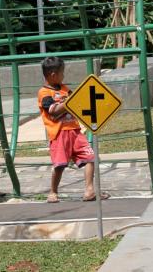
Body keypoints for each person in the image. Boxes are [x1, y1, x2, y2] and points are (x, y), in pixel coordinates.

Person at [37, 57, 110, 203]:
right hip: (59, 134)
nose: (63, 76)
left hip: (75, 131)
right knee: (59, 165)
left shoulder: (65, 89)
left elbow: (77, 105)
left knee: (90, 157)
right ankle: (53, 191)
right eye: (62, 73)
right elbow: (53, 111)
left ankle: (89, 191)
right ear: (53, 74)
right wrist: (71, 101)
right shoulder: (44, 93)